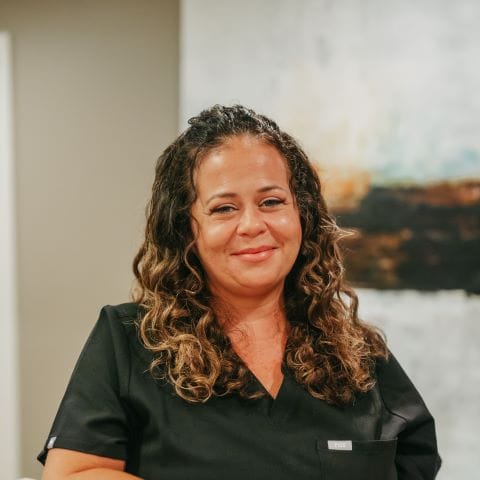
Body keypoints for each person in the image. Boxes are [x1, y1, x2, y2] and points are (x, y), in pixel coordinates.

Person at [39, 105, 441, 480]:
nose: (252, 224)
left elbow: (413, 463)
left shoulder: (359, 354)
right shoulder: (129, 340)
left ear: (301, 214)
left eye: (271, 201)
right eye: (224, 208)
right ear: (185, 229)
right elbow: (74, 472)